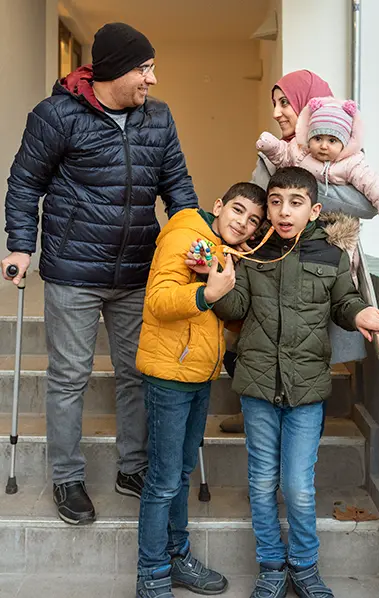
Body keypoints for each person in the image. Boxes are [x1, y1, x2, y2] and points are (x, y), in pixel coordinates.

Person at [1, 22, 199, 525]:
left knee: (138, 374)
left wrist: (199, 243)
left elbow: (177, 185)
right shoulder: (56, 115)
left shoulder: (158, 118)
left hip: (138, 271)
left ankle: (132, 467)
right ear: (114, 70)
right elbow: (25, 183)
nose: (152, 80)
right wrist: (21, 246)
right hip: (73, 272)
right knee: (70, 377)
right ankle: (67, 477)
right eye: (145, 68)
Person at [212, 166, 379, 598]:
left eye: (296, 202)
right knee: (262, 481)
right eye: (276, 201)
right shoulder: (255, 253)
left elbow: (344, 300)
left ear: (314, 209)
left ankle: (304, 567)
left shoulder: (331, 256)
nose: (284, 212)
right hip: (258, 385)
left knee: (298, 487)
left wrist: (359, 312)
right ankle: (271, 565)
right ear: (267, 206)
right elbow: (236, 304)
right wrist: (216, 281)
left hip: (306, 388)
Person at [220, 69, 378, 434]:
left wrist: (300, 182)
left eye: (285, 102)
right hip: (272, 265)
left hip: (320, 269)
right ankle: (258, 412)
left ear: (309, 105)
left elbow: (367, 205)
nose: (277, 112)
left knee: (307, 352)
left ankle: (301, 443)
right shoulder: (278, 151)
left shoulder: (343, 153)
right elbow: (257, 201)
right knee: (252, 339)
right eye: (274, 103)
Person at [135, 183, 266, 597]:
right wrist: (207, 292)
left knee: (181, 473)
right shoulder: (185, 234)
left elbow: (224, 312)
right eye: (238, 211)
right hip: (169, 375)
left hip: (197, 374)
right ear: (219, 206)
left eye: (252, 221)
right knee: (162, 480)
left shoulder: (223, 251)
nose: (242, 223)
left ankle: (177, 556)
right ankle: (151, 574)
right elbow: (158, 299)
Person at [257, 97, 379, 211]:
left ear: (344, 144)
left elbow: (370, 183)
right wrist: (270, 146)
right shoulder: (300, 152)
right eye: (318, 138)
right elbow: (283, 154)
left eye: (332, 141)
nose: (323, 146)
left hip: (335, 220)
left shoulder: (351, 163)